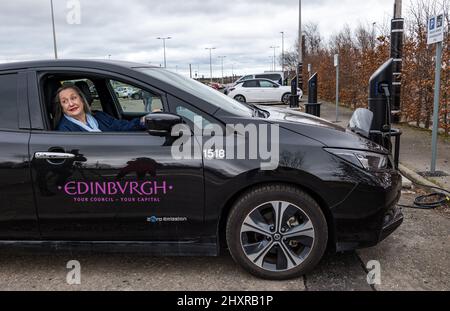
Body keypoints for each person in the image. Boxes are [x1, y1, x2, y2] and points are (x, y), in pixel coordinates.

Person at [54, 84, 147, 132]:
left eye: (73, 98)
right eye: (64, 101)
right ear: (61, 107)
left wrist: (143, 121)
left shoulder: (99, 116)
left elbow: (121, 126)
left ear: (82, 99)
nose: (70, 104)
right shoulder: (65, 129)